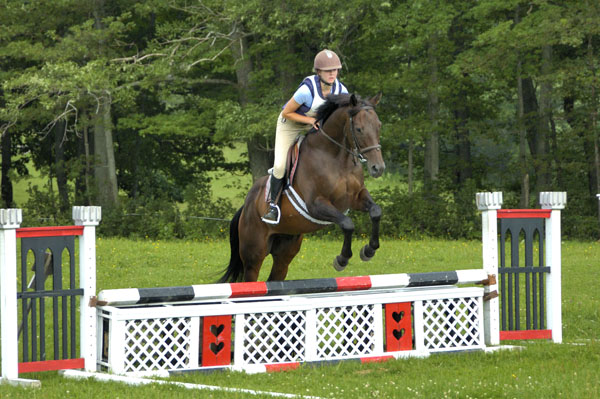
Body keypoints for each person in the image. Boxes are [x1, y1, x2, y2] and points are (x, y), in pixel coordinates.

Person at [261, 49, 349, 224]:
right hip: (290, 125)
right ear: (319, 72)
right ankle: (273, 206)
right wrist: (309, 120)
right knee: (279, 165)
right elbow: (286, 112)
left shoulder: (341, 90)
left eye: (335, 70)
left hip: (315, 126)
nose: (332, 74)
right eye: (328, 71)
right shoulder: (306, 91)